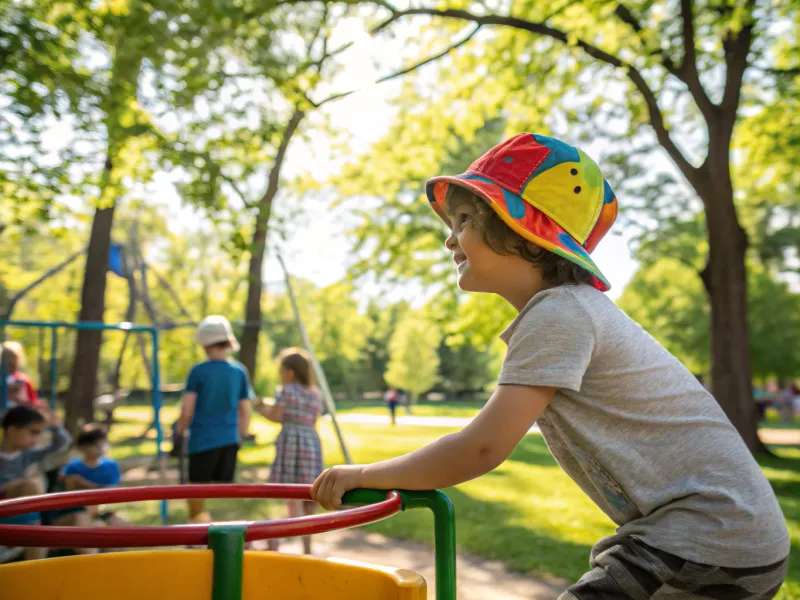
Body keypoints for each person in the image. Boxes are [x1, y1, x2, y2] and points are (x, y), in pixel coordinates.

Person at [311, 133, 789, 598]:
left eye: (462, 220)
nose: (448, 239)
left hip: (708, 537)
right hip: (729, 537)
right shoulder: (567, 312)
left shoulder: (560, 313)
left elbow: (479, 449)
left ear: (529, 236)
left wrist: (366, 474)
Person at [175, 315, 252, 524]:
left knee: (196, 496)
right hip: (229, 439)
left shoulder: (198, 372)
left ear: (205, 343)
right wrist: (241, 436)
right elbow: (245, 408)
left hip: (202, 441)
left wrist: (178, 431)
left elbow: (187, 410)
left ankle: (197, 536)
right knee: (224, 494)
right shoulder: (239, 371)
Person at [0, 405, 91, 560]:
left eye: (39, 434)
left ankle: (93, 570)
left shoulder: (27, 456)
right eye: (32, 433)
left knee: (80, 519)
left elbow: (62, 444)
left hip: (25, 514)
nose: (35, 439)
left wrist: (56, 427)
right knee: (31, 486)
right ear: (12, 429)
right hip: (5, 508)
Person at [256, 347, 323, 554]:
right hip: (310, 441)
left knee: (290, 488)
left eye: (281, 371)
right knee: (307, 489)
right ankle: (307, 542)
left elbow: (277, 415)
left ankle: (293, 526)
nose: (280, 375)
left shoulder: (286, 391)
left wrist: (260, 408)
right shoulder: (314, 393)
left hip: (291, 442)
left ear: (290, 372)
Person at [57, 425, 129, 527]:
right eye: (96, 445)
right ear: (82, 447)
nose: (101, 448)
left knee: (120, 524)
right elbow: (67, 492)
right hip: (78, 511)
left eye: (102, 444)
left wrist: (87, 485)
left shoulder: (110, 466)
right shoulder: (73, 468)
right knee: (86, 521)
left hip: (104, 509)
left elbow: (113, 490)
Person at [2, 341, 45, 409]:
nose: (11, 361)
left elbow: (33, 401)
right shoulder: (2, 379)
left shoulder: (24, 380)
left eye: (14, 357)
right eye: (7, 357)